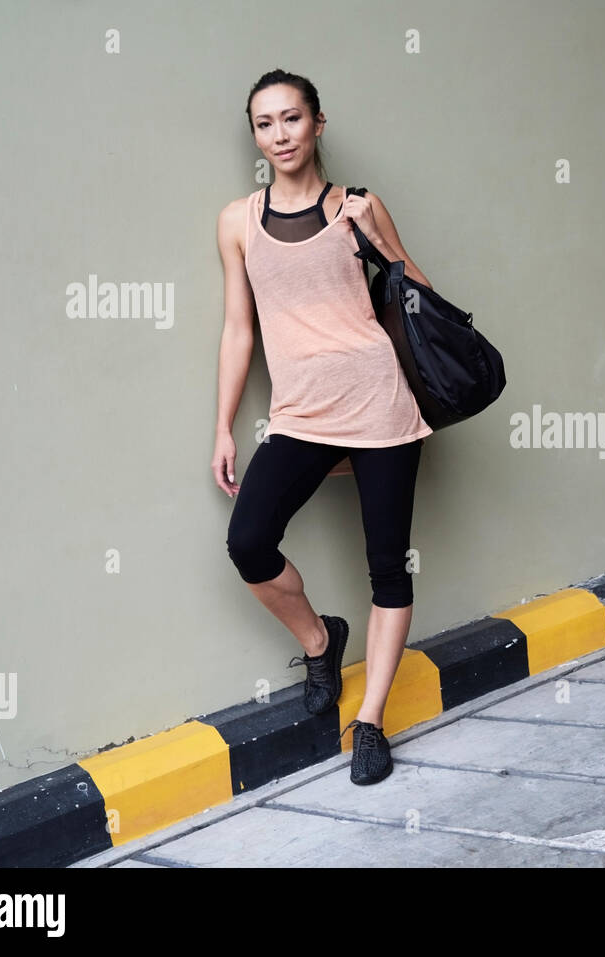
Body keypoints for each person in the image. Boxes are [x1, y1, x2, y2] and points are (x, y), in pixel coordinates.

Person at [211, 68, 434, 785]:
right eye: (265, 123)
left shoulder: (358, 208)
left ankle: (368, 721)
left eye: (292, 119)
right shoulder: (237, 222)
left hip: (379, 404)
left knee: (386, 562)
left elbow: (417, 292)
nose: (280, 135)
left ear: (318, 124)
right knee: (248, 541)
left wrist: (384, 251)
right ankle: (320, 639)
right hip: (302, 413)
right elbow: (239, 330)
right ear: (255, 134)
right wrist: (223, 427)